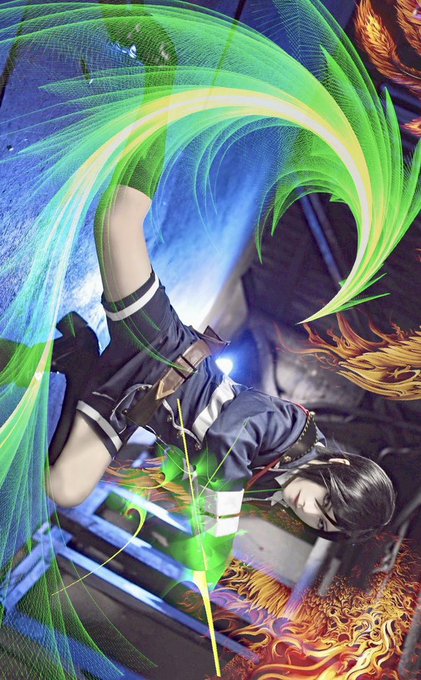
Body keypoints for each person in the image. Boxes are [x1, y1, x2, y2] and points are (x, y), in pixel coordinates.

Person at [39, 9, 396, 546]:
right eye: (327, 502)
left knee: (64, 488)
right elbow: (235, 428)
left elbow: (202, 458)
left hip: (137, 400)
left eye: (321, 523)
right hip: (162, 353)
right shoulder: (293, 430)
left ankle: (81, 359)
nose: (310, 511)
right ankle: (161, 71)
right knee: (118, 221)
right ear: (339, 467)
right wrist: (221, 517)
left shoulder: (277, 477)